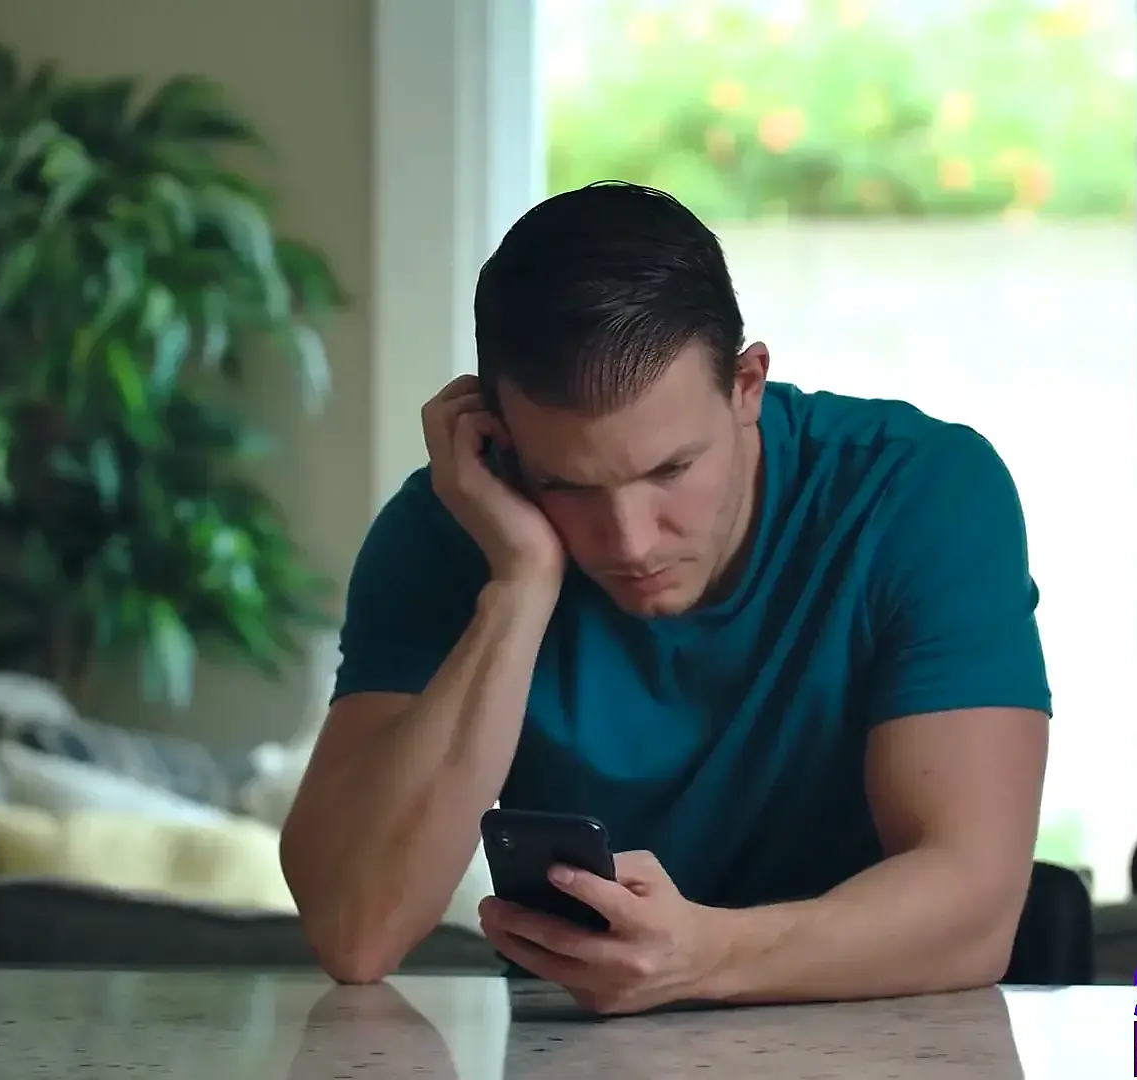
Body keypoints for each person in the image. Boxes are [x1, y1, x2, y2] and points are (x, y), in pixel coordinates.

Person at [280, 181, 1051, 1016]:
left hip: (883, 1040)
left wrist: (703, 958)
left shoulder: (921, 493)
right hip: (576, 1054)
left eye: (671, 470)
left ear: (747, 385)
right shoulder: (454, 527)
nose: (629, 541)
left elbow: (975, 912)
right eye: (566, 484)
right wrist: (518, 586)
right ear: (498, 438)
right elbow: (355, 932)